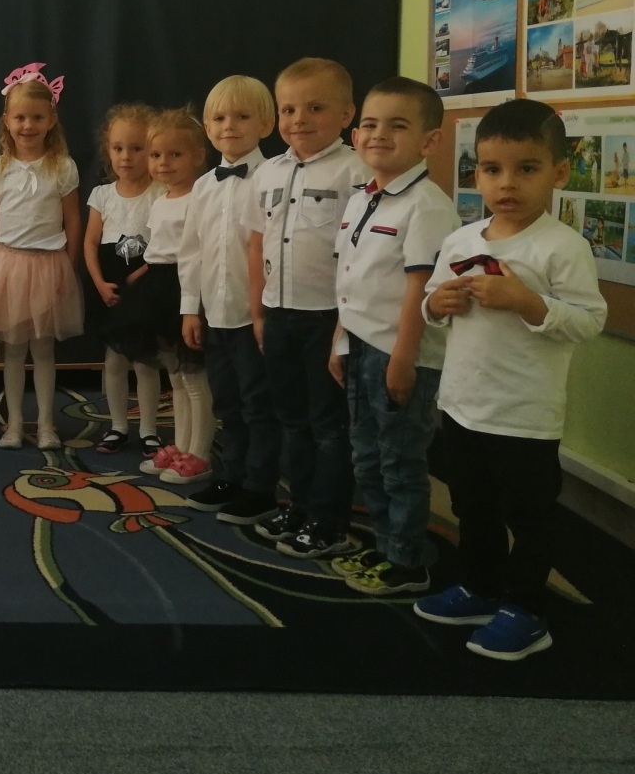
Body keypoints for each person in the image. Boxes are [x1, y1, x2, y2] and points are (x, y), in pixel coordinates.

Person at [417, 100, 606, 660]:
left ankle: (526, 609)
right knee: (471, 507)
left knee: (529, 517)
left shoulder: (562, 247)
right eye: (492, 169)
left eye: (526, 168)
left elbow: (589, 321)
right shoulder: (462, 241)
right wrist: (437, 303)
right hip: (462, 405)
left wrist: (526, 301)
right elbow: (431, 302)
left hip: (524, 414)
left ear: (559, 172)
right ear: (477, 174)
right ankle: (479, 587)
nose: (507, 184)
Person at [326, 78, 458, 592]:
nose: (379, 134)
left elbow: (420, 288)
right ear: (356, 135)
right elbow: (350, 278)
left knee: (400, 461)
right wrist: (339, 340)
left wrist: (404, 359)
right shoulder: (363, 197)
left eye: (397, 125)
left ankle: (407, 561)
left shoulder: (427, 205)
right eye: (370, 124)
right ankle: (385, 545)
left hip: (399, 354)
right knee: (366, 456)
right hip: (360, 346)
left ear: (430, 141)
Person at [244, 58, 368, 557]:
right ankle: (299, 506)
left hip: (328, 319)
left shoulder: (356, 171)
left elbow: (361, 254)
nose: (299, 120)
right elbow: (257, 243)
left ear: (346, 114)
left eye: (315, 108)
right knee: (291, 419)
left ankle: (328, 520)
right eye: (289, 109)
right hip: (278, 314)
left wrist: (344, 326)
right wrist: (258, 312)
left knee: (328, 426)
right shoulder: (268, 172)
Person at [178, 76, 281, 523]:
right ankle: (230, 475)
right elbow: (191, 251)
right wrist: (190, 308)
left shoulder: (275, 179)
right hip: (215, 314)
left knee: (259, 403)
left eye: (242, 117)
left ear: (266, 124)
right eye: (219, 118)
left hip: (254, 314)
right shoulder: (203, 186)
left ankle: (260, 486)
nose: (229, 126)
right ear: (206, 127)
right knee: (226, 401)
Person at [0, 77, 83, 450]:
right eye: (20, 117)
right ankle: (13, 423)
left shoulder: (62, 167)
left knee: (43, 350)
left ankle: (46, 424)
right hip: (8, 264)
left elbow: (73, 221)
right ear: (7, 121)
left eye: (37, 117)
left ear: (51, 120)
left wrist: (69, 267)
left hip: (48, 265)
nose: (28, 125)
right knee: (12, 349)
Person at [131, 110, 215, 485]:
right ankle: (181, 446)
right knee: (176, 377)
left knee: (195, 378)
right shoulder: (160, 199)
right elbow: (158, 250)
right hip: (160, 289)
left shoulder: (200, 197)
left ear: (197, 156)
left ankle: (200, 452)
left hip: (187, 287)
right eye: (155, 155)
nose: (163, 163)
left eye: (174, 154)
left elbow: (198, 251)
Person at [81, 103, 165, 455]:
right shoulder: (102, 195)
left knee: (146, 361)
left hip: (145, 287)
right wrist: (100, 283)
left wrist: (142, 276)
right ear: (108, 150)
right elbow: (89, 243)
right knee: (114, 360)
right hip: (110, 288)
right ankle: (117, 426)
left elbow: (164, 244)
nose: (126, 157)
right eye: (118, 148)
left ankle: (149, 429)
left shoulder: (160, 192)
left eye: (136, 148)